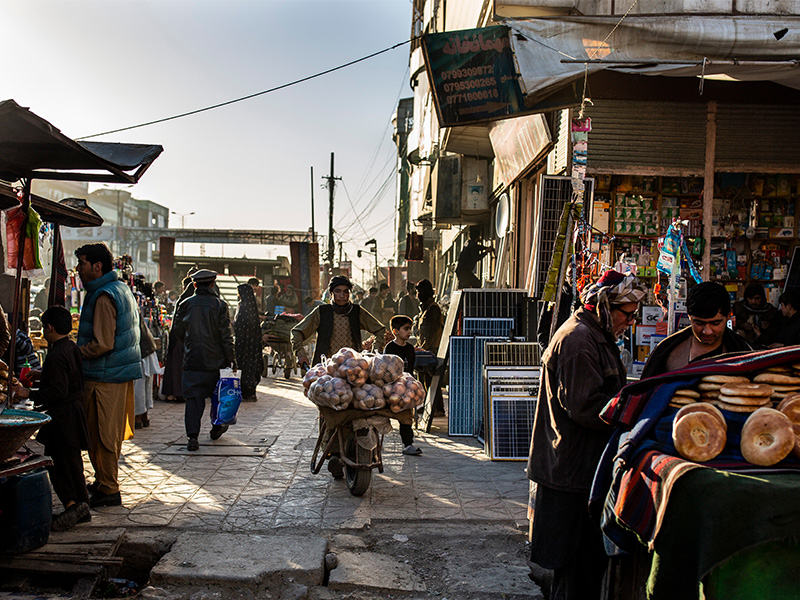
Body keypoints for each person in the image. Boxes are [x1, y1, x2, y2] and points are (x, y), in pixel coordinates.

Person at [528, 270, 646, 600]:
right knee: (575, 569)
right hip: (573, 471)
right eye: (628, 314)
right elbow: (585, 406)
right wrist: (633, 410)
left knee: (586, 568)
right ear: (608, 306)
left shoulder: (595, 334)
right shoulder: (579, 340)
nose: (630, 322)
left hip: (582, 468)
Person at [75, 243, 142, 508]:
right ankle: (104, 481)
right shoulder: (120, 288)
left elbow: (102, 343)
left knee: (101, 434)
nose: (78, 269)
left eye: (81, 263)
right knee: (108, 433)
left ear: (97, 266)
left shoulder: (104, 296)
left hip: (104, 376)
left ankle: (109, 488)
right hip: (117, 374)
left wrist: (76, 352)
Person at [12, 306, 91, 531]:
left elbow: (57, 391)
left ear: (49, 327)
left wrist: (28, 393)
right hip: (72, 415)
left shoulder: (57, 353)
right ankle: (81, 505)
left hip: (63, 418)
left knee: (59, 464)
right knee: (73, 463)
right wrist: (42, 375)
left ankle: (72, 504)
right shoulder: (70, 347)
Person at [171, 270, 237, 451]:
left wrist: (189, 345)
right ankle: (216, 428)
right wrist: (231, 358)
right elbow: (226, 336)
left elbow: (177, 330)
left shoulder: (185, 304)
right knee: (218, 396)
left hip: (192, 360)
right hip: (215, 360)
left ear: (194, 286)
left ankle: (193, 437)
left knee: (193, 399)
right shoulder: (219, 305)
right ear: (212, 285)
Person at [642, 281, 753, 379]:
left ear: (729, 316)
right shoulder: (667, 352)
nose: (707, 331)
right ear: (689, 316)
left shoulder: (744, 353)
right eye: (699, 323)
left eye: (715, 323)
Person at [292, 275, 385, 370]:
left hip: (353, 369)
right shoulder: (322, 312)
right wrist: (301, 355)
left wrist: (375, 353)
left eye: (345, 291)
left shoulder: (356, 311)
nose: (342, 295)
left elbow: (380, 330)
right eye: (338, 291)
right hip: (326, 369)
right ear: (331, 293)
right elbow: (297, 332)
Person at [384, 315, 422, 456]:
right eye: (406, 329)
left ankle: (408, 444)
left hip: (405, 388)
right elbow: (386, 370)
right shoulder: (390, 348)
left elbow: (410, 371)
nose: (409, 332)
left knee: (406, 416)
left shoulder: (410, 349)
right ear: (395, 331)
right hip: (391, 388)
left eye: (410, 329)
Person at [161, 276, 194, 402]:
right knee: (178, 367)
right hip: (181, 339)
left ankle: (174, 392)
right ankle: (177, 392)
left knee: (175, 366)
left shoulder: (183, 300)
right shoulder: (189, 301)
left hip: (177, 338)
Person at [235, 283, 262, 402]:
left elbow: (240, 325)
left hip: (243, 343)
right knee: (251, 366)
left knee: (243, 366)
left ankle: (245, 391)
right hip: (253, 344)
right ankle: (250, 392)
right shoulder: (252, 307)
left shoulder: (243, 307)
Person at [732, 281, 781, 347]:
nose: (753, 302)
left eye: (757, 298)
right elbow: (731, 325)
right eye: (750, 298)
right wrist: (742, 325)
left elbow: (778, 331)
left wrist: (768, 327)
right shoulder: (739, 308)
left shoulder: (770, 311)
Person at [134, 310, 159, 429]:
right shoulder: (134, 309)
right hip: (145, 349)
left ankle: (139, 417)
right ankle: (143, 416)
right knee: (143, 386)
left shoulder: (129, 311)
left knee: (138, 388)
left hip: (141, 351)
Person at [416, 279, 443, 353]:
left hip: (432, 351)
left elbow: (432, 333)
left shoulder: (433, 309)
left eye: (420, 292)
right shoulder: (425, 310)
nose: (418, 295)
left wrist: (423, 348)